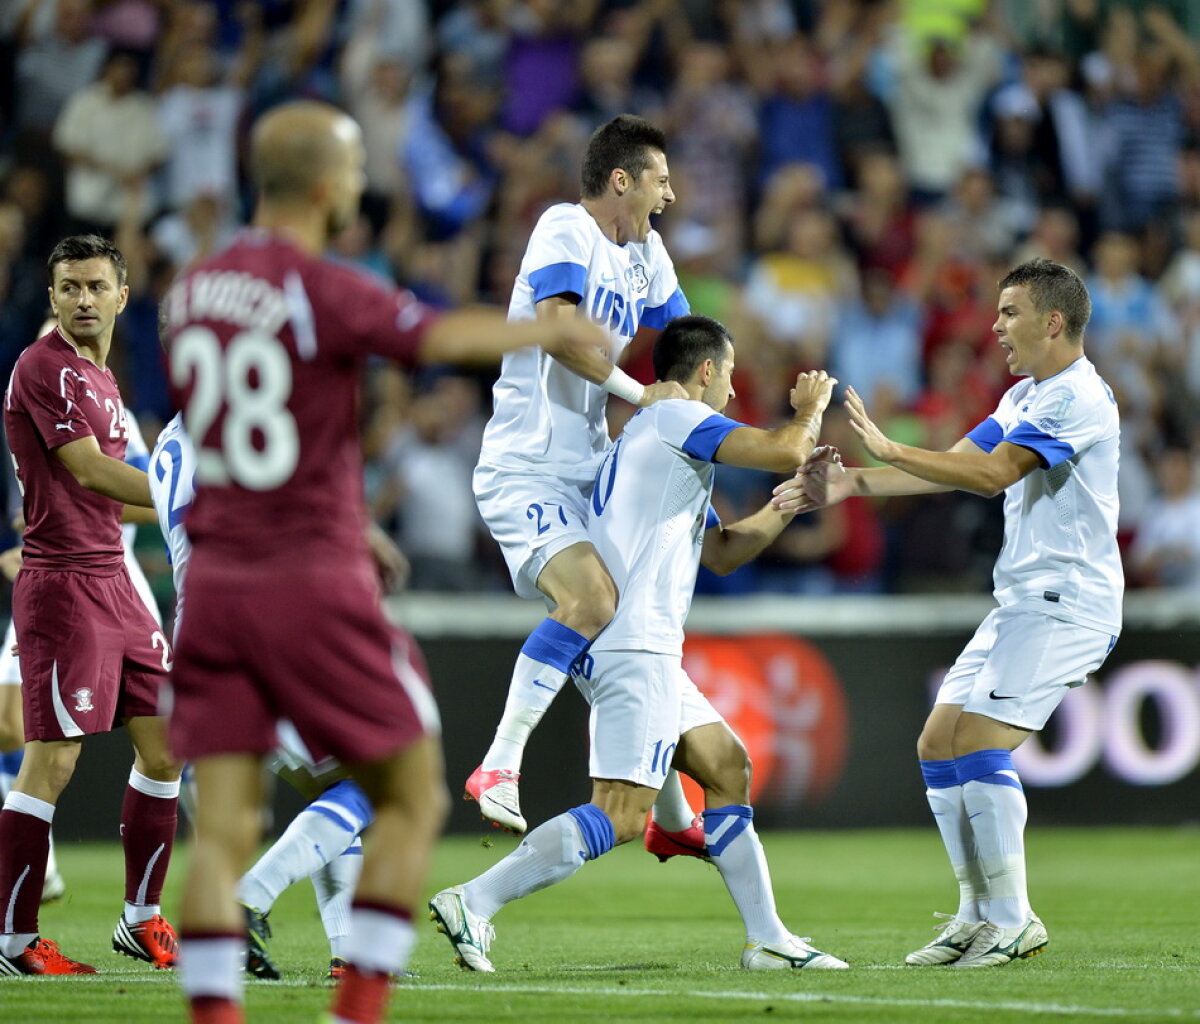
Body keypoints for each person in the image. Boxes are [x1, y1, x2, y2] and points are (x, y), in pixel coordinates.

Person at [162, 100, 613, 1024]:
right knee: (410, 790)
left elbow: (243, 440)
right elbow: (435, 337)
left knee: (224, 825)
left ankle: (214, 1012)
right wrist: (549, 332)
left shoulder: (189, 291)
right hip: (308, 583)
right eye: (359, 170)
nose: (364, 186)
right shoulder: (319, 285)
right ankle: (356, 1008)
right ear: (328, 186)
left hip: (209, 586)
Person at [430, 314, 848, 973]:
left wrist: (790, 503)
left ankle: (767, 939)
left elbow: (723, 551)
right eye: (731, 377)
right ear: (705, 372)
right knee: (621, 815)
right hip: (634, 646)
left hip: (642, 646)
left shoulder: (654, 440)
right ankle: (474, 901)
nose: (734, 392)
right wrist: (810, 410)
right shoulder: (675, 422)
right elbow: (787, 447)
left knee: (728, 765)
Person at [775, 258, 1122, 968]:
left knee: (979, 742)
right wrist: (851, 484)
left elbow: (993, 477)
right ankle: (974, 914)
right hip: (1022, 600)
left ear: (1053, 321)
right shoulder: (1027, 394)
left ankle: (1014, 917)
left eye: (1009, 313)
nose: (995, 327)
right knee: (938, 743)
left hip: (1070, 602)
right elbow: (958, 462)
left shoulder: (1078, 398)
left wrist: (892, 443)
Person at [468, 114, 704, 851]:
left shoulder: (648, 253)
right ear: (621, 180)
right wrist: (644, 397)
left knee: (629, 618)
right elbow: (559, 330)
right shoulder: (565, 228)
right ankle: (498, 766)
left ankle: (667, 816)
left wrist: (711, 392)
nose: (669, 196)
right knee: (593, 599)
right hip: (526, 468)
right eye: (660, 181)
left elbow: (683, 345)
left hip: (591, 468)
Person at [0, 235, 182, 976]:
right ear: (52, 297)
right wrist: (191, 494)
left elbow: (127, 490)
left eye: (95, 287)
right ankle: (13, 939)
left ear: (120, 296)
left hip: (116, 583)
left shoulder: (102, 379)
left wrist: (184, 497)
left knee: (168, 744)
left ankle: (141, 919)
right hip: (63, 586)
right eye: (68, 287)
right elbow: (89, 472)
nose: (82, 299)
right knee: (50, 759)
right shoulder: (42, 368)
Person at [149, 411, 380, 983]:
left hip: (199, 642)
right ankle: (249, 897)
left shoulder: (164, 447)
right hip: (257, 635)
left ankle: (349, 955)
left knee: (335, 786)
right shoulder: (236, 422)